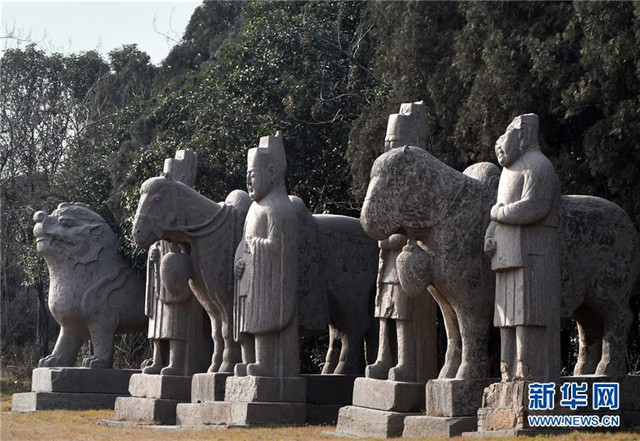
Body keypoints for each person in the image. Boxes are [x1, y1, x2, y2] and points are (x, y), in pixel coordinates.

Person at [484, 113, 561, 382]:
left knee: (528, 315)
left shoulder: (539, 166)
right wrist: (490, 236)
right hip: (505, 256)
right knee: (505, 318)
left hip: (532, 255)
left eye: (507, 136)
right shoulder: (509, 171)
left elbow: (534, 207)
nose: (500, 144)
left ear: (524, 134)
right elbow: (497, 213)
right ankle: (507, 370)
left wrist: (499, 213)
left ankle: (528, 372)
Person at [233, 131, 300, 378]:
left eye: (253, 175)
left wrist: (255, 246)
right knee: (246, 321)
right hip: (250, 276)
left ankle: (265, 363)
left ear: (271, 173)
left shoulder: (279, 209)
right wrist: (239, 259)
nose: (248, 181)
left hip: (267, 281)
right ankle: (249, 360)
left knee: (262, 320)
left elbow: (280, 247)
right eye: (247, 176)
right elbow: (244, 241)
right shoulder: (254, 208)